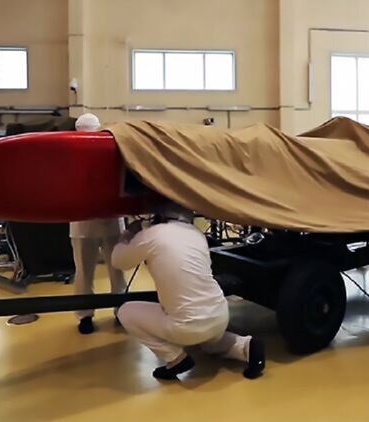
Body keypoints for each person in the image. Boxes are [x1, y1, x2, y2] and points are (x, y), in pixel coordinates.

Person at [111, 202, 265, 380]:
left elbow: (118, 261)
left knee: (125, 311)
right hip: (220, 316)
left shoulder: (151, 235)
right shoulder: (197, 234)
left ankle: (175, 359)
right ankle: (246, 346)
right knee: (208, 343)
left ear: (160, 215)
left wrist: (128, 234)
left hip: (187, 326)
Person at [70, 113, 127, 334]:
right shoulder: (70, 156)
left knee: (117, 269)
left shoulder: (112, 152)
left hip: (111, 220)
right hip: (82, 224)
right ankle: (85, 315)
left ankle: (120, 309)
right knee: (84, 273)